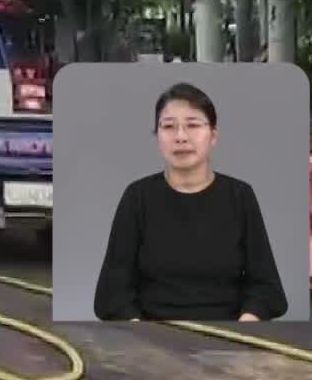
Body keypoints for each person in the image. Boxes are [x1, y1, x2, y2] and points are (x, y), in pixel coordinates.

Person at [92, 82, 287, 322]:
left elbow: (268, 289)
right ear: (157, 137)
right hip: (150, 338)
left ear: (213, 136)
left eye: (193, 125)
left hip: (230, 336)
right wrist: (142, 335)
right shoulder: (137, 197)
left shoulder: (240, 196)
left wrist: (244, 327)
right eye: (169, 127)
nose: (181, 137)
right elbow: (111, 294)